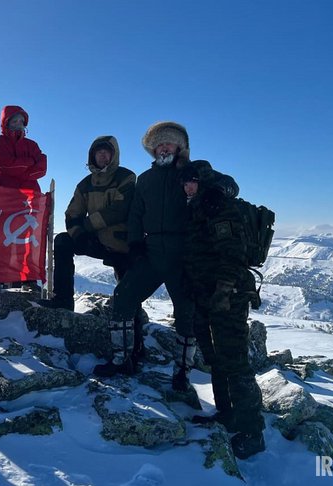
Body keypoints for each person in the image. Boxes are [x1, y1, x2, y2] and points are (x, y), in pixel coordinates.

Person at [180, 163, 265, 459]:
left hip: (227, 295)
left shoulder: (220, 207)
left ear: (203, 182)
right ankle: (226, 414)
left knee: (235, 360)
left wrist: (224, 291)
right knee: (215, 357)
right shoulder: (198, 208)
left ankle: (253, 431)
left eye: (191, 182)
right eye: (185, 183)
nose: (187, 187)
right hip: (205, 294)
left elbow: (233, 253)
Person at [108, 122, 197, 390]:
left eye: (168, 143)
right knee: (123, 297)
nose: (163, 148)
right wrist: (135, 244)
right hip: (152, 251)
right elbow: (135, 214)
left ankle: (182, 373)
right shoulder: (145, 180)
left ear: (179, 147)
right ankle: (121, 359)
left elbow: (229, 188)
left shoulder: (194, 173)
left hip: (183, 253)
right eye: (158, 145)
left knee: (186, 312)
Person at [38, 136, 135, 311]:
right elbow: (72, 213)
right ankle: (63, 301)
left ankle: (132, 321)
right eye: (99, 152)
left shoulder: (126, 177)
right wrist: (78, 234)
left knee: (127, 291)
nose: (103, 156)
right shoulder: (84, 184)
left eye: (107, 152)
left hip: (122, 242)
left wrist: (87, 226)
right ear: (92, 156)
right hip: (96, 239)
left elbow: (119, 211)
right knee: (63, 241)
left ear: (114, 155)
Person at [0, 105, 47, 292]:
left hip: (29, 200)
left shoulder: (32, 145)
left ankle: (28, 279)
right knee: (3, 238)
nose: (18, 125)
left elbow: (42, 169)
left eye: (21, 121)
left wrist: (20, 169)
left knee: (28, 239)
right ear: (5, 123)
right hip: (5, 199)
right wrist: (29, 166)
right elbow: (6, 165)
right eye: (14, 121)